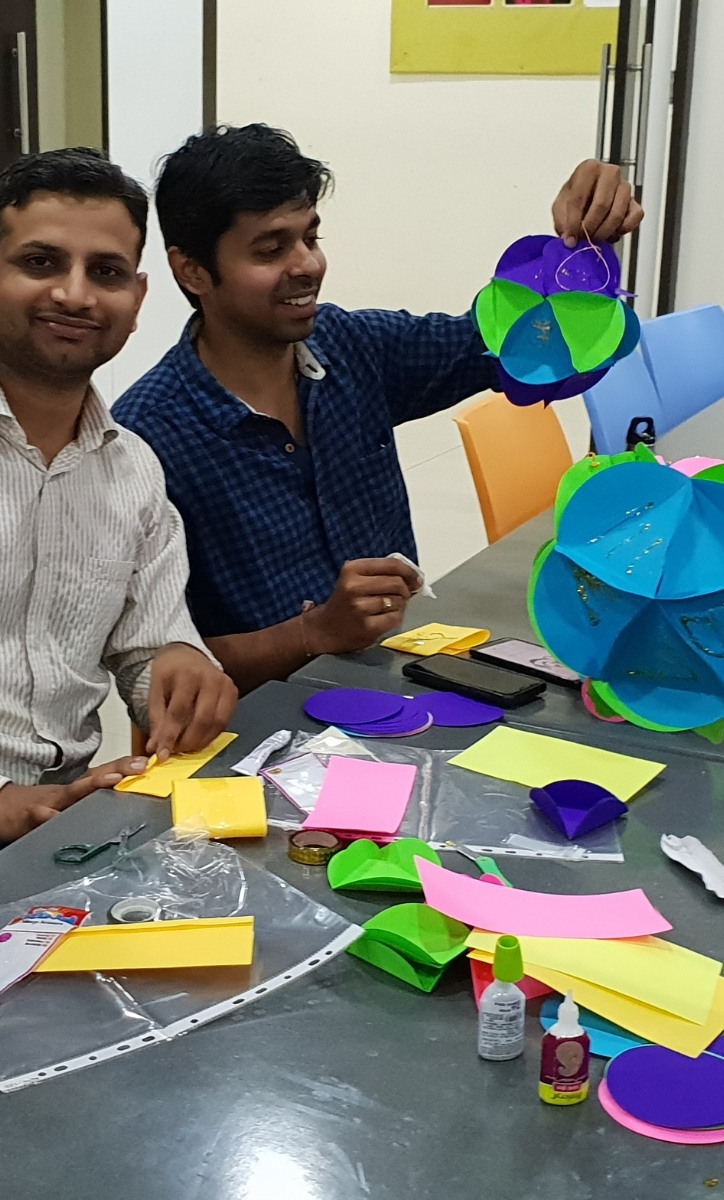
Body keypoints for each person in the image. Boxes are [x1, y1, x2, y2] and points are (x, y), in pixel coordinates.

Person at [113, 125, 643, 695]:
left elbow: (509, 347)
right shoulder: (147, 437)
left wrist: (582, 252)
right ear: (191, 270)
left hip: (399, 691)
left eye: (309, 238)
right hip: (259, 741)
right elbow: (158, 668)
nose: (307, 265)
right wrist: (314, 632)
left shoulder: (348, 346)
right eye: (271, 249)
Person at [0, 147, 238, 843]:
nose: (74, 294)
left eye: (104, 273)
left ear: (136, 300)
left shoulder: (132, 471)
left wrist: (177, 667)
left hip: (64, 824)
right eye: (40, 263)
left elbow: (147, 648)